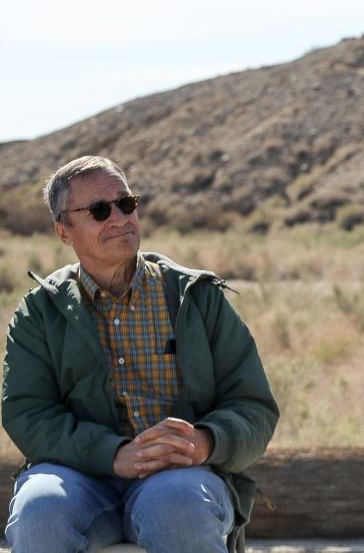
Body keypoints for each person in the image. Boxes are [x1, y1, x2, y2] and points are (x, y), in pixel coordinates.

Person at [2, 156, 279, 553]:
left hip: (180, 476)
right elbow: (27, 413)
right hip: (78, 476)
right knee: (39, 510)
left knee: (177, 507)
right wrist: (113, 455)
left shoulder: (196, 299)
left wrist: (205, 441)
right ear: (64, 231)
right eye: (99, 210)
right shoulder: (38, 312)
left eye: (126, 203)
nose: (119, 218)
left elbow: (253, 405)